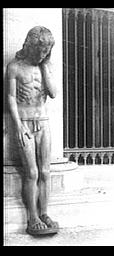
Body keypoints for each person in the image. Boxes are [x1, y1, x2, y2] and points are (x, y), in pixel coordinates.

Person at [6, 26, 59, 235]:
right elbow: (10, 98)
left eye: (46, 51)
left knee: (46, 172)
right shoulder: (14, 67)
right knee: (32, 172)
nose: (42, 55)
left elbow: (53, 93)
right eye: (39, 50)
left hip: (43, 122)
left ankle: (44, 212)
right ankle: (32, 217)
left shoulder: (45, 66)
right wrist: (17, 125)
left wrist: (45, 66)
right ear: (29, 45)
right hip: (25, 123)